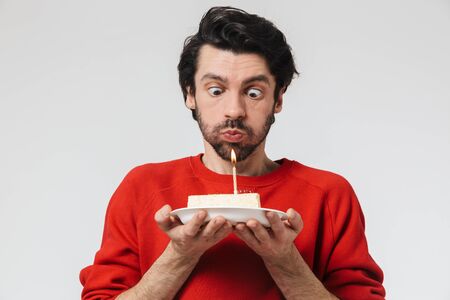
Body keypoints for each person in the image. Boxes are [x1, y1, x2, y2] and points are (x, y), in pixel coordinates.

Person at [80, 6, 385, 300]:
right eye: (215, 90)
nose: (234, 110)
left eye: (253, 92)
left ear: (278, 99)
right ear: (190, 94)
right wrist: (180, 255)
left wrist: (284, 261)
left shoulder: (329, 195)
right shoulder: (143, 187)